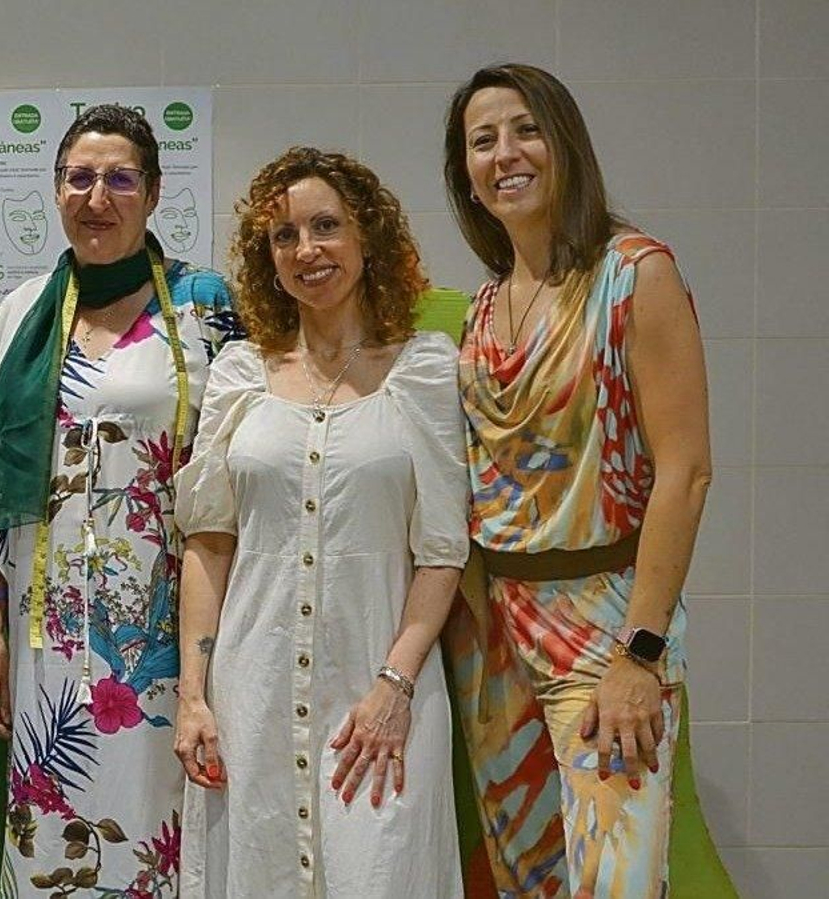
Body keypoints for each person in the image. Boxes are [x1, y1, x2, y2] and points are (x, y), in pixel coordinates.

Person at [442, 62, 721, 897]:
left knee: (618, 878)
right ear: (466, 174)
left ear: (566, 143)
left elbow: (688, 471)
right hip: (494, 633)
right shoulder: (484, 307)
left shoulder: (635, 274)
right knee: (530, 877)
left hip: (607, 627)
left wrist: (640, 652)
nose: (506, 153)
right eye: (482, 140)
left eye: (525, 129)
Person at [0, 104, 241, 896]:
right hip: (46, 638)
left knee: (166, 818)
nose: (97, 197)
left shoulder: (203, 306)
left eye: (120, 179)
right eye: (78, 178)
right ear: (55, 192)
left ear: (152, 195)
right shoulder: (19, 317)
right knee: (55, 824)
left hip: (167, 630)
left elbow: (247, 461)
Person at [171, 148, 468, 897]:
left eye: (327, 226)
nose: (307, 249)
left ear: (367, 239)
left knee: (382, 869)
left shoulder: (423, 369)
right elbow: (209, 542)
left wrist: (394, 685)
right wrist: (195, 695)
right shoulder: (241, 374)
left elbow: (441, 550)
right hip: (253, 693)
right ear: (267, 261)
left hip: (381, 692)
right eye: (284, 236)